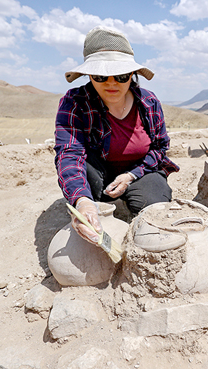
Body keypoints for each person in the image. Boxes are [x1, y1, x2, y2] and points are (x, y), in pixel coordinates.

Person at [54, 26, 179, 245]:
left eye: (121, 76)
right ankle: (92, 202)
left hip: (140, 171)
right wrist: (82, 201)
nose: (111, 83)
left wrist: (130, 176)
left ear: (132, 75)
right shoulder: (75, 102)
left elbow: (159, 149)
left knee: (154, 205)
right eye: (101, 76)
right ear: (89, 76)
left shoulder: (148, 103)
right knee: (83, 193)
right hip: (97, 173)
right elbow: (69, 154)